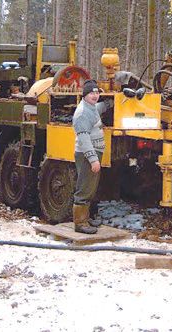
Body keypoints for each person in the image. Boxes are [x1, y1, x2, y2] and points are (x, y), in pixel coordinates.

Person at [72, 80, 111, 234]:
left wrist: (109, 103)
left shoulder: (91, 108)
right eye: (91, 93)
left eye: (97, 93)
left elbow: (98, 108)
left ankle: (86, 218)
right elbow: (84, 139)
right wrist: (93, 159)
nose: (95, 96)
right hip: (87, 154)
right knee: (85, 188)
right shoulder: (82, 113)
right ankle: (80, 223)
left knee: (90, 187)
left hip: (93, 152)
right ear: (85, 95)